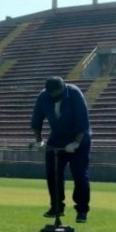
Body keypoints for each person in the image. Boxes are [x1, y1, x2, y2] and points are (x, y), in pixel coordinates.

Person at [31, 76, 92, 223]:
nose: (54, 96)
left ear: (62, 87)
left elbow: (82, 121)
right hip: (57, 138)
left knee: (79, 174)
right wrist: (39, 141)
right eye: (51, 94)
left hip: (78, 138)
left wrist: (76, 143)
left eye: (56, 93)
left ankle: (82, 210)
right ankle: (56, 207)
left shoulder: (74, 94)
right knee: (52, 174)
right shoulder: (43, 96)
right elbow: (36, 120)